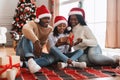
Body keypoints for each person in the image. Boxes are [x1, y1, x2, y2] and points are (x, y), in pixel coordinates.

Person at [16, 5, 55, 73]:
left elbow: (49, 44)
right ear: (38, 19)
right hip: (23, 51)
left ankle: (25, 64)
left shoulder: (50, 29)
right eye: (44, 18)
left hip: (36, 52)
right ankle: (30, 59)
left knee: (52, 58)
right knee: (26, 37)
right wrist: (36, 42)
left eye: (48, 18)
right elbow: (25, 29)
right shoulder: (32, 23)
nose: (47, 20)